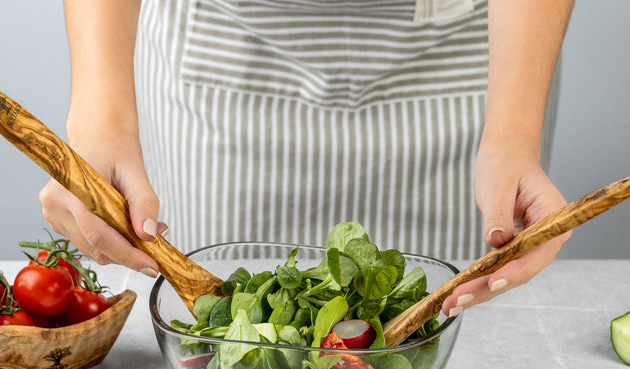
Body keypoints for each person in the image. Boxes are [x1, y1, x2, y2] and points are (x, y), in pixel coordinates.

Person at [40, 0, 574, 319]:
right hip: (224, 54)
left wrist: (512, 136)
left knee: (452, 329)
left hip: (461, 58)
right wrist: (99, 123)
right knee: (224, 345)